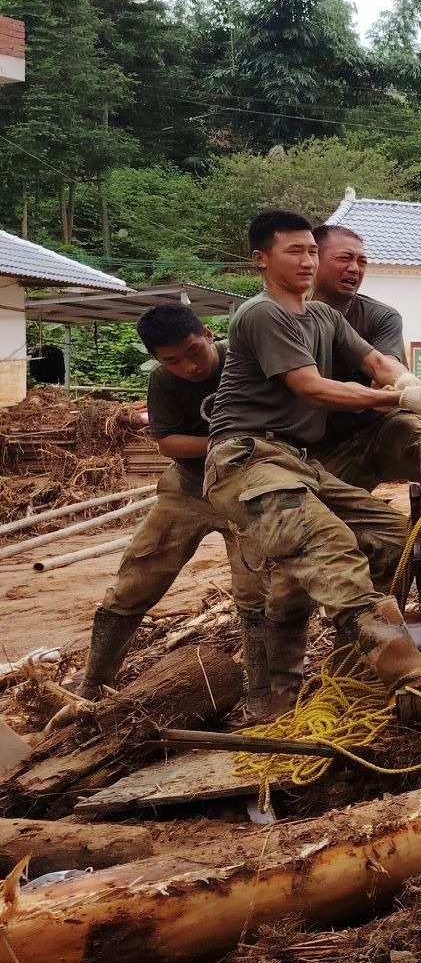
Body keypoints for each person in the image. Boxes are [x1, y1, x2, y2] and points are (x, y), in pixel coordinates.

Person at [203, 210, 421, 699]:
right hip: (246, 461)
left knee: (394, 537)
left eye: (310, 250)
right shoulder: (262, 313)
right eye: (294, 251)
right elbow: (313, 388)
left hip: (298, 462)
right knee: (329, 546)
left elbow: (375, 360)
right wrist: (393, 399)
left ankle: (354, 668)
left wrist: (406, 381)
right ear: (261, 260)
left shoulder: (324, 317)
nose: (307, 261)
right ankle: (396, 663)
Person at [77, 305, 289, 719]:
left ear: (208, 334)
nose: (189, 366)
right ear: (158, 360)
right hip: (188, 489)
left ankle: (262, 694)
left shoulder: (245, 361)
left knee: (256, 594)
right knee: (135, 580)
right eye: (172, 360)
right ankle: (93, 684)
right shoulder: (162, 381)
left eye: (194, 351)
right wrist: (229, 442)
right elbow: (168, 443)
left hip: (250, 491)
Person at [308, 224, 421, 509]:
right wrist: (391, 395)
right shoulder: (278, 317)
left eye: (362, 261)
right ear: (312, 259)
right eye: (344, 258)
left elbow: (384, 365)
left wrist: (406, 384)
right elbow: (307, 389)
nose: (355, 268)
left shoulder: (380, 316)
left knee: (414, 430)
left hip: (371, 434)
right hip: (305, 449)